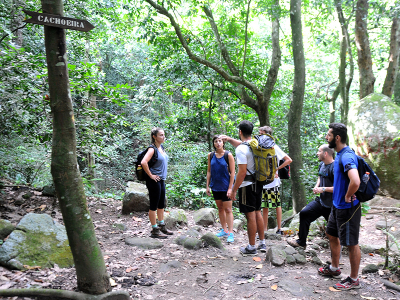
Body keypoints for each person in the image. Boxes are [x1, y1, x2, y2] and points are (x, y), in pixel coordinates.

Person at [318, 123, 361, 290]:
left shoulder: (347, 156)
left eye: (328, 135)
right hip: (337, 206)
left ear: (337, 137)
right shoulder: (339, 155)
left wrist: (349, 195)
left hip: (348, 208)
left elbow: (355, 181)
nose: (326, 137)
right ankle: (334, 269)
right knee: (331, 233)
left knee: (351, 243)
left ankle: (354, 279)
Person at [221, 120, 264, 256]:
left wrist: (233, 189)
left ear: (240, 132)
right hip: (258, 183)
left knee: (250, 215)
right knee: (257, 212)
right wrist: (228, 139)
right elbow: (241, 143)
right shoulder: (256, 144)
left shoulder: (241, 149)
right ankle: (262, 242)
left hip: (247, 186)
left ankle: (251, 247)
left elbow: (242, 172)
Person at [287, 144, 334, 249]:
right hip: (321, 201)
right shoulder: (322, 164)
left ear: (325, 153)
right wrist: (316, 186)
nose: (317, 153)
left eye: (319, 151)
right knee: (304, 214)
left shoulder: (335, 168)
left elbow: (339, 188)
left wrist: (323, 189)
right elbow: (320, 177)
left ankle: (342, 250)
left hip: (332, 205)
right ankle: (301, 242)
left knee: (334, 231)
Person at [258, 126, 292, 251]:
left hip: (273, 181)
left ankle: (279, 228)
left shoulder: (274, 147)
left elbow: (289, 160)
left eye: (261, 134)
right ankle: (265, 230)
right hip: (262, 180)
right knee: (264, 205)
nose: (260, 136)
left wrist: (277, 169)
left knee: (276, 203)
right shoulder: (260, 148)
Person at [141, 127, 173, 239]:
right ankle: (154, 230)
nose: (163, 137)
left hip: (161, 180)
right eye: (161, 135)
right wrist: (151, 175)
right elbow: (143, 162)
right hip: (153, 181)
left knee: (161, 205)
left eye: (164, 135)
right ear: (154, 137)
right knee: (154, 205)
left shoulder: (161, 147)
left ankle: (162, 225)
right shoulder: (152, 149)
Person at [206, 135, 236, 243]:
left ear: (223, 143)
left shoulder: (228, 155)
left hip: (226, 186)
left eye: (220, 141)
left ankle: (231, 233)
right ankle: (224, 230)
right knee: (220, 208)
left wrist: (230, 188)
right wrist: (207, 186)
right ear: (213, 143)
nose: (218, 143)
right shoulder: (211, 155)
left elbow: (233, 173)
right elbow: (209, 171)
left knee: (228, 209)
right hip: (215, 186)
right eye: (215, 141)